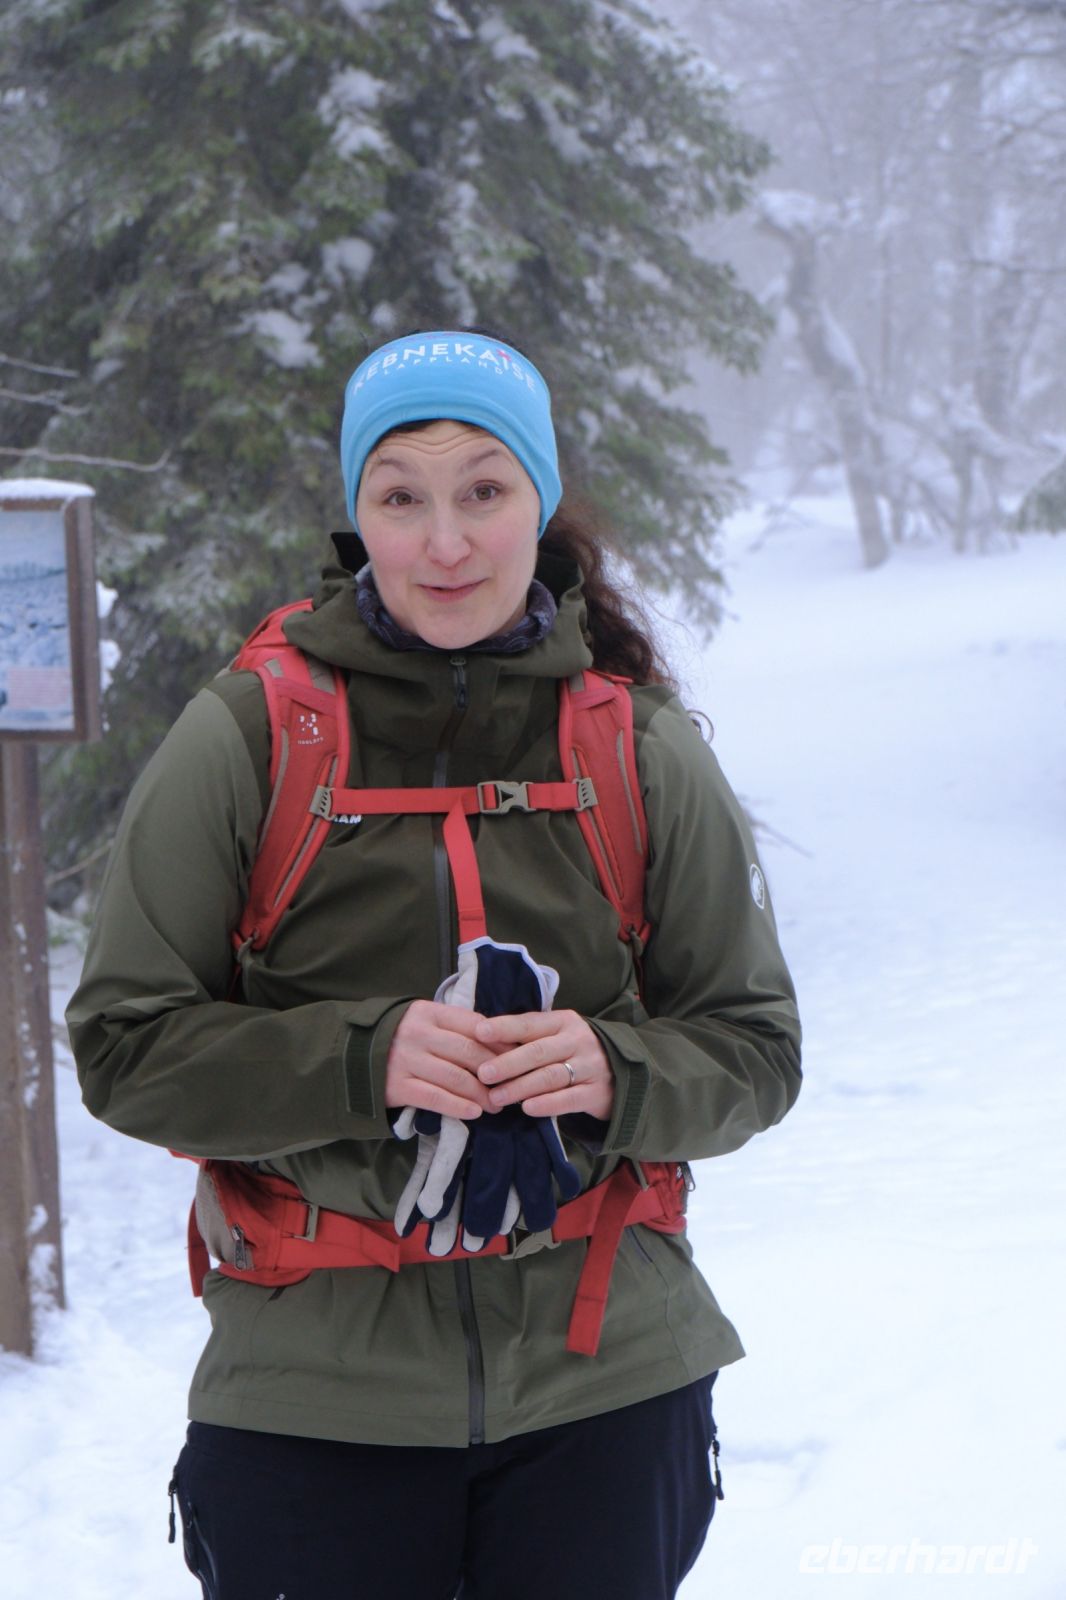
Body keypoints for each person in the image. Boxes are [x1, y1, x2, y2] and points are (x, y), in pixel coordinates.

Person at [67, 328, 802, 1600]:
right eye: (401, 495)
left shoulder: (633, 744)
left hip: (607, 1384)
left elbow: (755, 1047)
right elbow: (127, 1047)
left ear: (539, 500)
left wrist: (613, 1068)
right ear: (359, 513)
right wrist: (365, 1058)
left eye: (483, 490)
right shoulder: (252, 735)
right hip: (313, 1403)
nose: (445, 541)